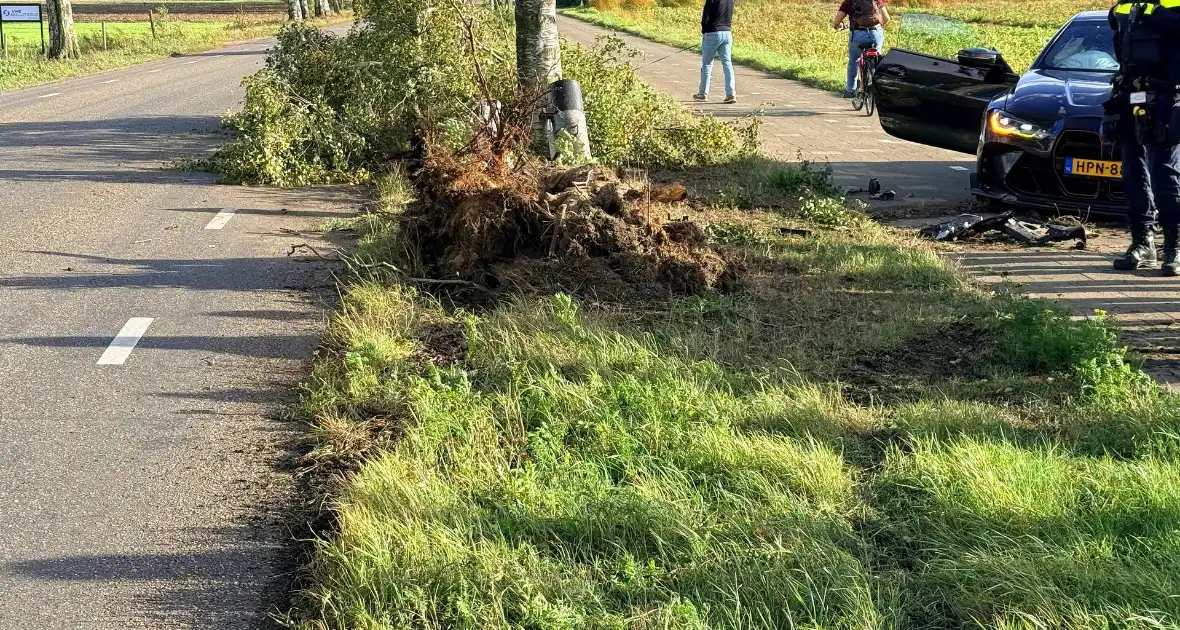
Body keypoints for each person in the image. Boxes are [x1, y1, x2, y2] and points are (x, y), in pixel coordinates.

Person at [1107, 0, 1180, 275]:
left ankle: (1174, 246)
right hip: (1131, 95)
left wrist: (1159, 15)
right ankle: (1142, 242)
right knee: (1132, 172)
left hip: (1166, 98)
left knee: (1164, 174)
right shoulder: (1125, 6)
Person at [833, 0, 889, 99]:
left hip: (858, 35)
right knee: (877, 59)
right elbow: (887, 18)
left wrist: (838, 25)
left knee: (854, 60)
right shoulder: (876, 0)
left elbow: (836, 22)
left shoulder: (849, 1)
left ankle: (850, 90)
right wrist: (879, 25)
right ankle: (877, 88)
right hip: (875, 34)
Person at [694, 0, 737, 104]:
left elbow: (706, 16)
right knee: (727, 64)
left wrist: (704, 32)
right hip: (727, 32)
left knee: (707, 64)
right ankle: (731, 93)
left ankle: (703, 93)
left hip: (712, 32)